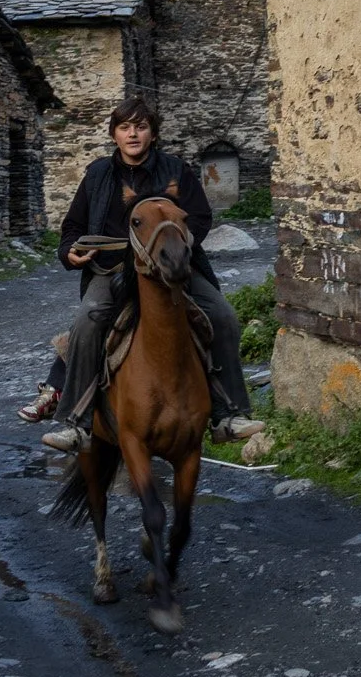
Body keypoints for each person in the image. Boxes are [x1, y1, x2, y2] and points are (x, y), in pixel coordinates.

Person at [22, 97, 264, 451]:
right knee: (89, 320)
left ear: (152, 133)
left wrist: (176, 245)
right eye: (125, 127)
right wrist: (69, 251)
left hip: (172, 266)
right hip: (114, 266)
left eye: (141, 126)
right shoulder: (97, 174)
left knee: (223, 316)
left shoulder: (175, 170)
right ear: (114, 134)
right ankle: (76, 422)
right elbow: (72, 226)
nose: (133, 134)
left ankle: (229, 414)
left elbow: (199, 216)